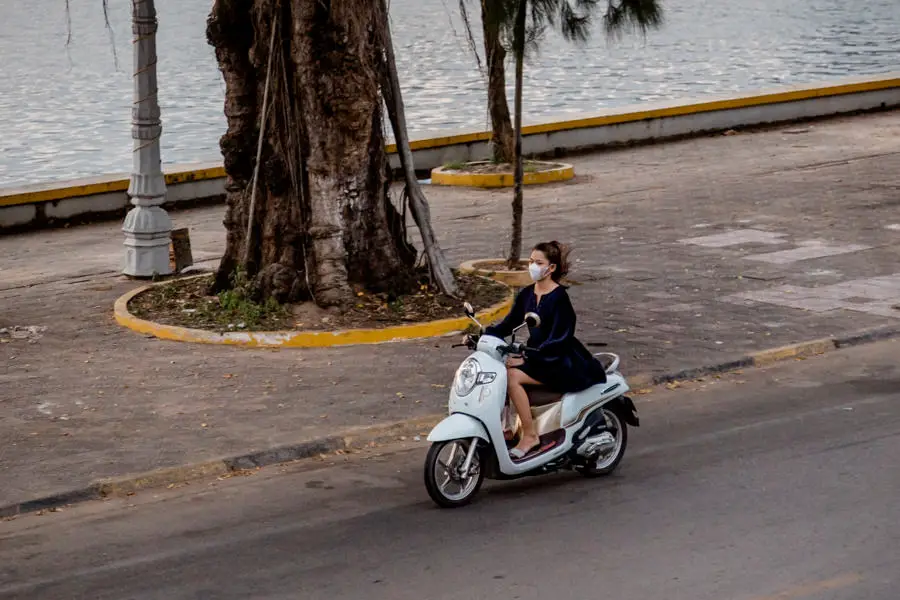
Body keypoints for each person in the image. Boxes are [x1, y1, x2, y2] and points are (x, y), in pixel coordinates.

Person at [483, 241, 607, 460]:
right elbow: (508, 324)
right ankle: (506, 428)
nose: (533, 266)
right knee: (499, 370)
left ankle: (530, 436)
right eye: (531, 261)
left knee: (512, 376)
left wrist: (527, 358)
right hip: (539, 357)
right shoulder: (527, 294)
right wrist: (483, 335)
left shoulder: (560, 299)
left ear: (551, 268)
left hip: (561, 362)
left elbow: (559, 340)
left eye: (538, 263)